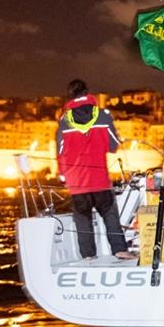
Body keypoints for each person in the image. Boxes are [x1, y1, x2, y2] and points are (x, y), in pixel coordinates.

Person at [56, 79, 137, 260]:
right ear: (87, 92)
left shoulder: (64, 121)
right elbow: (113, 146)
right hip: (99, 178)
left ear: (70, 95)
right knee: (109, 214)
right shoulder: (102, 116)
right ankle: (119, 250)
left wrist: (63, 175)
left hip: (76, 181)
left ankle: (88, 256)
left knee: (82, 219)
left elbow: (60, 151)